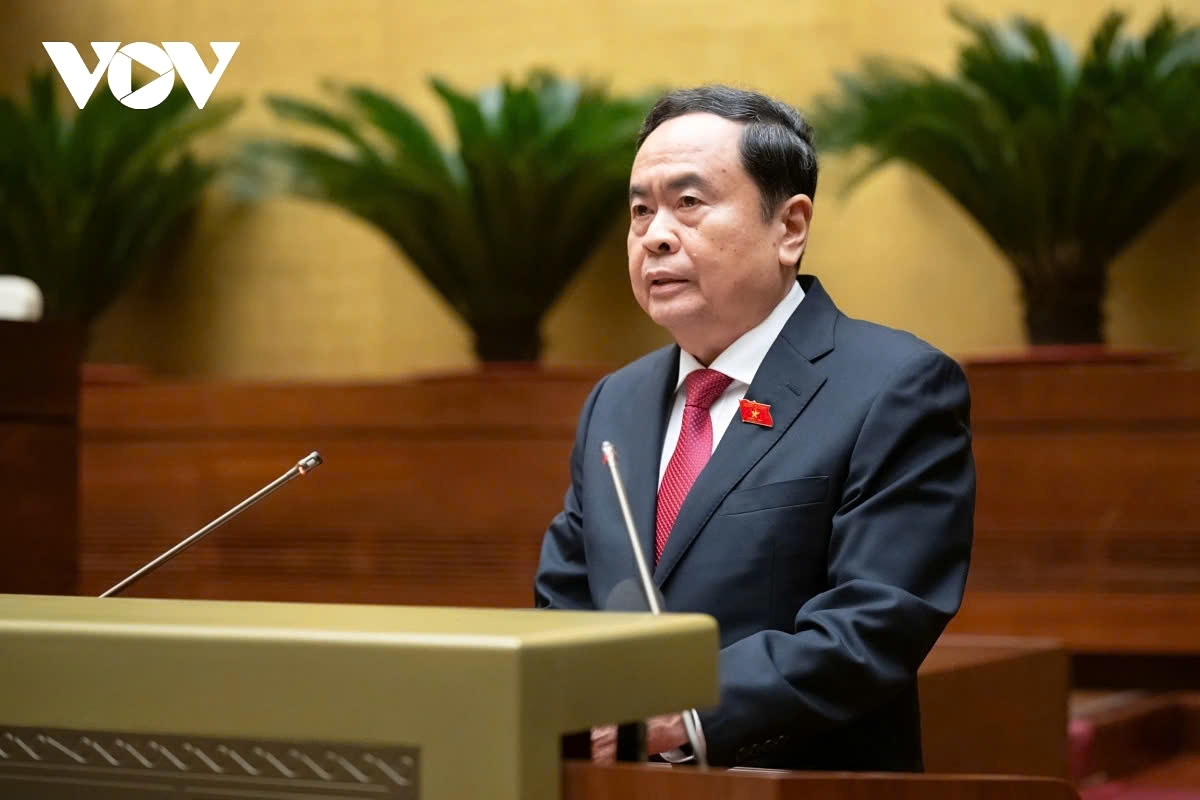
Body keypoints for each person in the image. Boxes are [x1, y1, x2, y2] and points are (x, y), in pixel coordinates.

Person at [533, 85, 975, 772]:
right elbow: (564, 597)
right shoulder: (614, 403)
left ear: (789, 227)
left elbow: (874, 622)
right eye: (640, 210)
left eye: (688, 203)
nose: (655, 234)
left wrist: (686, 712)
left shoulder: (895, 385)